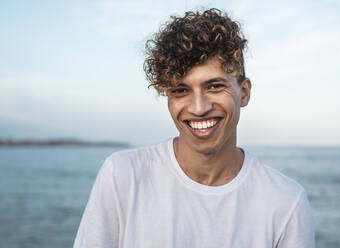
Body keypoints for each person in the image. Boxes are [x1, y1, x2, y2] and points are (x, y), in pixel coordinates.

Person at [73, 8, 315, 248]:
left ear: (244, 92)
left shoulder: (286, 202)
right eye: (180, 90)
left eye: (214, 86)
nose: (198, 108)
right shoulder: (123, 176)